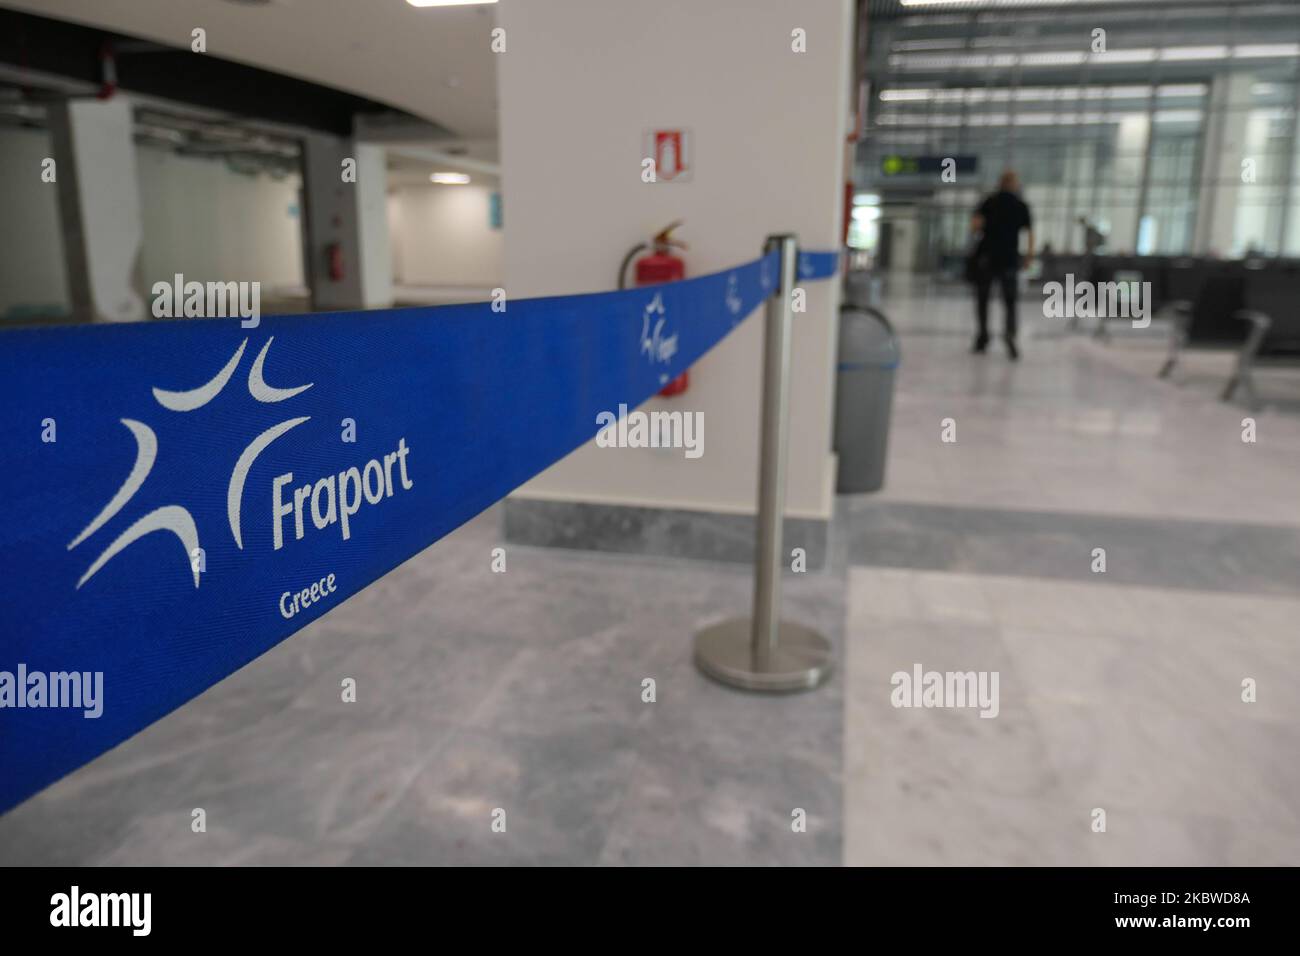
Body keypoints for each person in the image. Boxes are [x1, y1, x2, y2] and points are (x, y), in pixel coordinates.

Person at [969, 170, 1034, 359]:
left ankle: (983, 336)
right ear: (1014, 183)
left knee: (983, 299)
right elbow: (1029, 232)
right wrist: (1029, 256)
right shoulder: (1021, 205)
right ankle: (1009, 334)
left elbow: (975, 226)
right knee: (1010, 301)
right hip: (1009, 259)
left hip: (987, 257)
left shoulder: (989, 202)